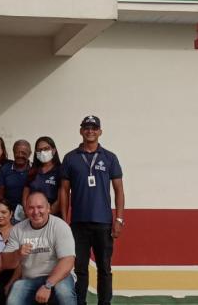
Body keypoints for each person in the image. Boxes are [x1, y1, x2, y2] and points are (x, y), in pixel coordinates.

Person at [60, 116, 125, 305]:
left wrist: (119, 220)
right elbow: (64, 191)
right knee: (80, 269)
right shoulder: (70, 158)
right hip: (78, 224)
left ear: (100, 132)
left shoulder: (110, 157)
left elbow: (119, 190)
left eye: (94, 128)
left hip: (104, 223)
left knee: (104, 268)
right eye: (86, 128)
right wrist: (65, 220)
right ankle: (80, 302)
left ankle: (104, 303)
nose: (90, 131)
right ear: (81, 131)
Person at [2, 191, 77, 305]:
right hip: (31, 279)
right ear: (26, 210)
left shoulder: (60, 226)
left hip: (59, 277)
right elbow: (6, 263)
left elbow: (68, 261)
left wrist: (47, 285)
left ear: (48, 208)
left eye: (40, 207)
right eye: (31, 208)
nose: (36, 212)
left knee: (64, 292)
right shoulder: (18, 229)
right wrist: (17, 254)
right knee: (14, 296)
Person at [22, 136, 62, 215]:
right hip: (33, 215)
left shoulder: (60, 170)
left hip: (52, 216)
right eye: (39, 150)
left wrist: (47, 215)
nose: (43, 152)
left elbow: (61, 198)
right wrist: (28, 212)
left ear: (53, 151)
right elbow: (25, 196)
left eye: (46, 149)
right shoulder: (32, 171)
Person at [0, 139, 32, 221]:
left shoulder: (34, 170)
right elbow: (1, 194)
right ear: (13, 152)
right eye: (17, 152)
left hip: (30, 214)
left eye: (24, 153)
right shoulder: (5, 169)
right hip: (10, 215)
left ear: (30, 154)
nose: (20, 155)